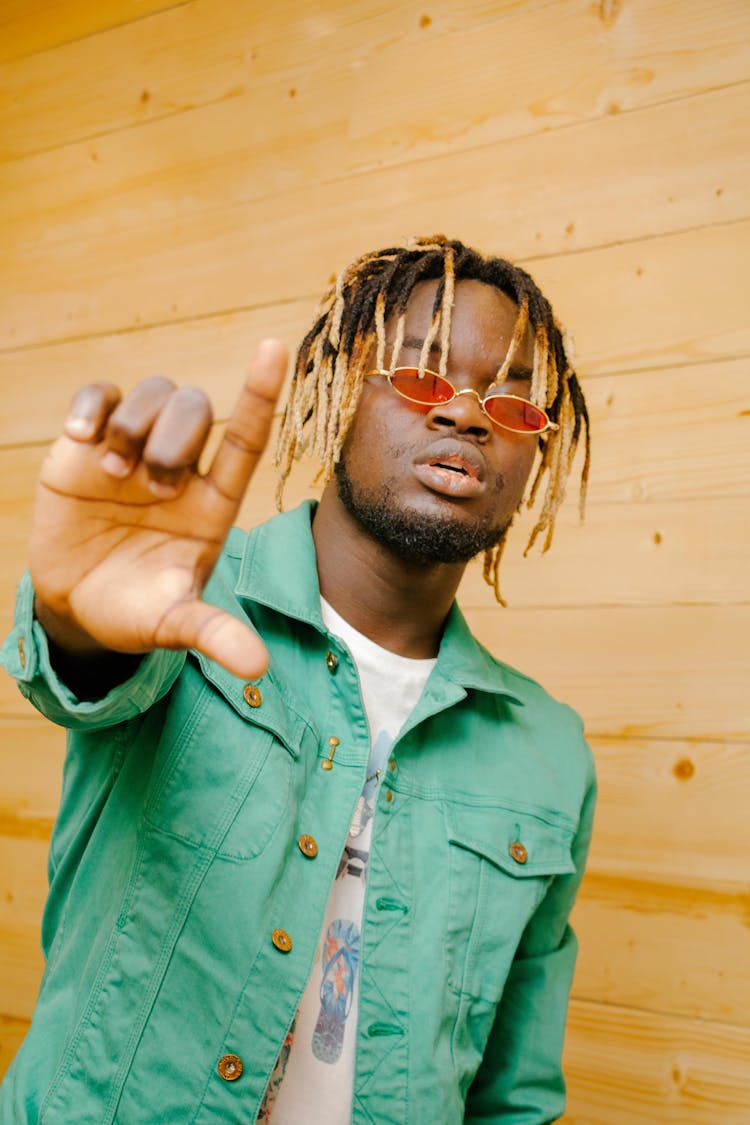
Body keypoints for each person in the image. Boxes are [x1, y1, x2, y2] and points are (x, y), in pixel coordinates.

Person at [1, 236, 596, 1124]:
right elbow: (80, 671)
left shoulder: (548, 754)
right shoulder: (183, 603)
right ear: (338, 394)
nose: (469, 417)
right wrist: (78, 618)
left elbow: (513, 1096)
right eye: (423, 378)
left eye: (513, 404)